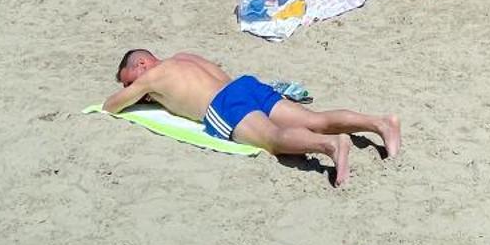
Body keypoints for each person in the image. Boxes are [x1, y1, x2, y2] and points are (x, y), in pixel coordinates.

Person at [103, 49, 399, 188]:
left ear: (141, 63)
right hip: (243, 86)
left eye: (128, 80)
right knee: (315, 119)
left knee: (273, 140)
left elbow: (110, 106)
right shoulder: (183, 57)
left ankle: (332, 146)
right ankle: (380, 123)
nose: (131, 88)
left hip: (222, 105)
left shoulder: (151, 77)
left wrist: (136, 92)